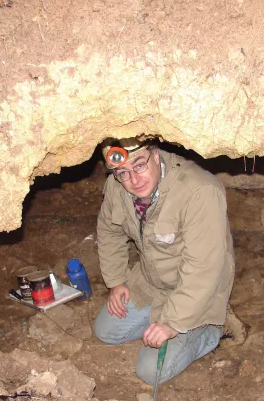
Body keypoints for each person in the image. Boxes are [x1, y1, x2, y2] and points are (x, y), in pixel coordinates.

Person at [94, 137, 235, 386]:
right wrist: (116, 280)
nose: (133, 180)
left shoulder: (199, 191)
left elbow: (202, 270)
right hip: (152, 281)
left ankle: (210, 330)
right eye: (123, 173)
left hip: (199, 291)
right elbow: (109, 231)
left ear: (156, 155)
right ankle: (160, 320)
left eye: (139, 166)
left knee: (150, 371)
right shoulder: (117, 186)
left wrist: (172, 323)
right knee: (106, 331)